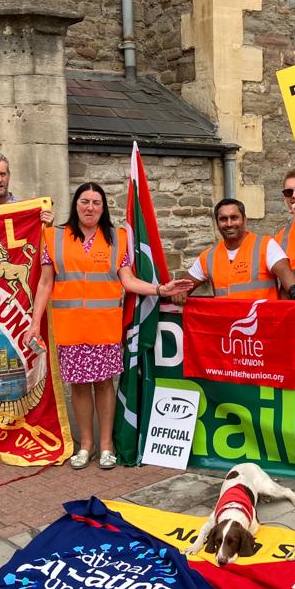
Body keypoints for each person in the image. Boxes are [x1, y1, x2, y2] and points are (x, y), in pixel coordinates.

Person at [23, 183, 193, 470]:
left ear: (103, 208)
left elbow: (128, 281)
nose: (90, 207)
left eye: (96, 203)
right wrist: (33, 323)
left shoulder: (117, 238)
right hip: (71, 327)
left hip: (105, 327)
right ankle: (86, 444)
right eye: (85, 201)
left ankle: (106, 445)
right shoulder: (53, 237)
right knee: (78, 387)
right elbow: (45, 283)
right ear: (76, 204)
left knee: (104, 385)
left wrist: (160, 289)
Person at [174, 199, 295, 309]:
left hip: (263, 327)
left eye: (234, 218)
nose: (229, 223)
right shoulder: (208, 256)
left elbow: (285, 273)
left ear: (245, 220)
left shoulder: (265, 245)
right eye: (223, 219)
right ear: (217, 223)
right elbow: (184, 285)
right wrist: (181, 292)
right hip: (227, 331)